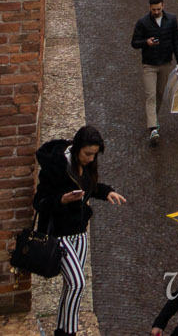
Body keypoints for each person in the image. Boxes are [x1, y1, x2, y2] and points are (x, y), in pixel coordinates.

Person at [32, 125, 127, 336]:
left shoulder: (88, 165)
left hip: (80, 233)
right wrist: (62, 200)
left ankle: (61, 330)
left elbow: (90, 188)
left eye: (94, 155)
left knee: (69, 287)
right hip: (59, 235)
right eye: (87, 154)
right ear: (76, 148)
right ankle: (70, 332)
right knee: (77, 283)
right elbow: (39, 202)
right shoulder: (55, 168)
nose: (91, 159)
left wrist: (106, 192)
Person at [129, 0, 178, 147]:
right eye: (154, 10)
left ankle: (154, 119)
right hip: (149, 65)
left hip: (165, 63)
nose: (156, 12)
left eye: (159, 9)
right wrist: (146, 42)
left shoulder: (172, 20)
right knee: (150, 95)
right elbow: (134, 42)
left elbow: (176, 40)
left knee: (160, 93)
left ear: (163, 6)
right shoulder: (143, 22)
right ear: (150, 8)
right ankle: (153, 128)